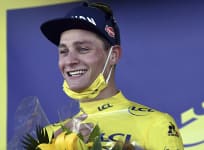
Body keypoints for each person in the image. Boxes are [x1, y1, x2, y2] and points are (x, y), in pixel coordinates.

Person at [25, 2, 184, 149]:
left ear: (113, 55)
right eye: (63, 51)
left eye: (83, 49)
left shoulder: (156, 123)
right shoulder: (49, 136)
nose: (70, 60)